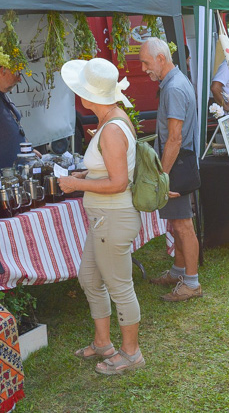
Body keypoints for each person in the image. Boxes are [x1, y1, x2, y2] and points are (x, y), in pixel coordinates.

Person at [57, 57, 145, 375]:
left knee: (120, 286)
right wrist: (87, 172)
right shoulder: (113, 120)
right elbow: (111, 170)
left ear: (87, 95)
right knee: (90, 278)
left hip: (112, 218)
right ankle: (103, 343)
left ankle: (131, 353)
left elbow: (119, 181)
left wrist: (76, 183)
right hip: (105, 219)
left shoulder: (110, 128)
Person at [138, 38, 203, 301]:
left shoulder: (174, 87)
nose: (143, 68)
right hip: (177, 162)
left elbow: (174, 138)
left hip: (176, 163)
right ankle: (179, 271)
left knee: (183, 224)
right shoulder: (175, 82)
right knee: (177, 223)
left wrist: (162, 176)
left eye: (145, 62)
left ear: (161, 59)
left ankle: (192, 283)